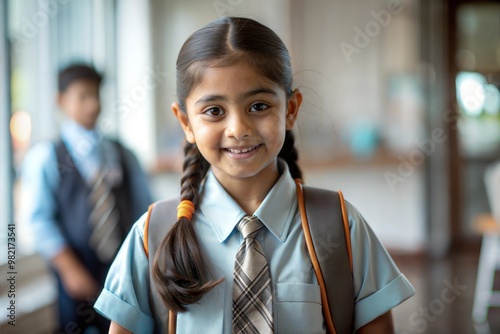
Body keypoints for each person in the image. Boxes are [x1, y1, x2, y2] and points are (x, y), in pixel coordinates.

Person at [94, 17, 415, 334]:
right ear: (185, 122)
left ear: (290, 109)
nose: (239, 129)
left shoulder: (341, 226)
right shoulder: (152, 235)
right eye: (214, 111)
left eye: (259, 106)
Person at [21, 64, 153, 333]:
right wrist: (69, 269)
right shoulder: (47, 156)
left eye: (96, 95)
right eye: (83, 96)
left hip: (123, 270)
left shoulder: (122, 154)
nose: (93, 104)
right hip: (75, 271)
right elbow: (40, 219)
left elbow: (145, 208)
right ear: (61, 100)